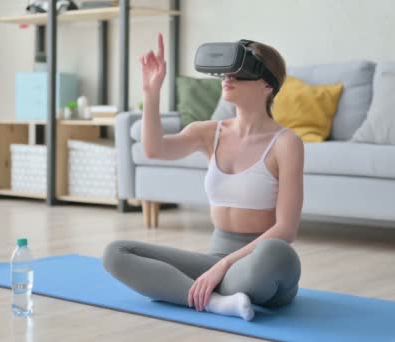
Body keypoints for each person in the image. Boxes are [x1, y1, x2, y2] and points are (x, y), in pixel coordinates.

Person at [103, 33, 304, 321]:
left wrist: (221, 268)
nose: (227, 78)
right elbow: (154, 149)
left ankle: (203, 290)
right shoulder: (209, 132)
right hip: (214, 257)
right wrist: (151, 92)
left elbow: (286, 230)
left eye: (240, 72)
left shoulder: (286, 143)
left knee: (275, 252)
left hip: (261, 267)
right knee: (116, 252)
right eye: (226, 72)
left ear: (267, 85)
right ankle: (216, 303)